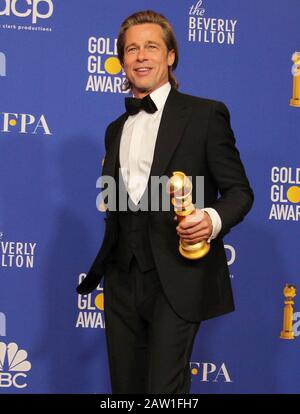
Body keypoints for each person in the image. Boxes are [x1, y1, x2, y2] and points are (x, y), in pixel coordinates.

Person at [77, 10, 254, 394]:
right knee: (125, 391)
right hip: (122, 278)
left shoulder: (206, 115)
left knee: (163, 392)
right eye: (132, 49)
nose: (141, 56)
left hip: (177, 276)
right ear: (122, 60)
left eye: (151, 47)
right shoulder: (115, 129)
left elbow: (240, 192)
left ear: (170, 56)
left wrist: (210, 219)